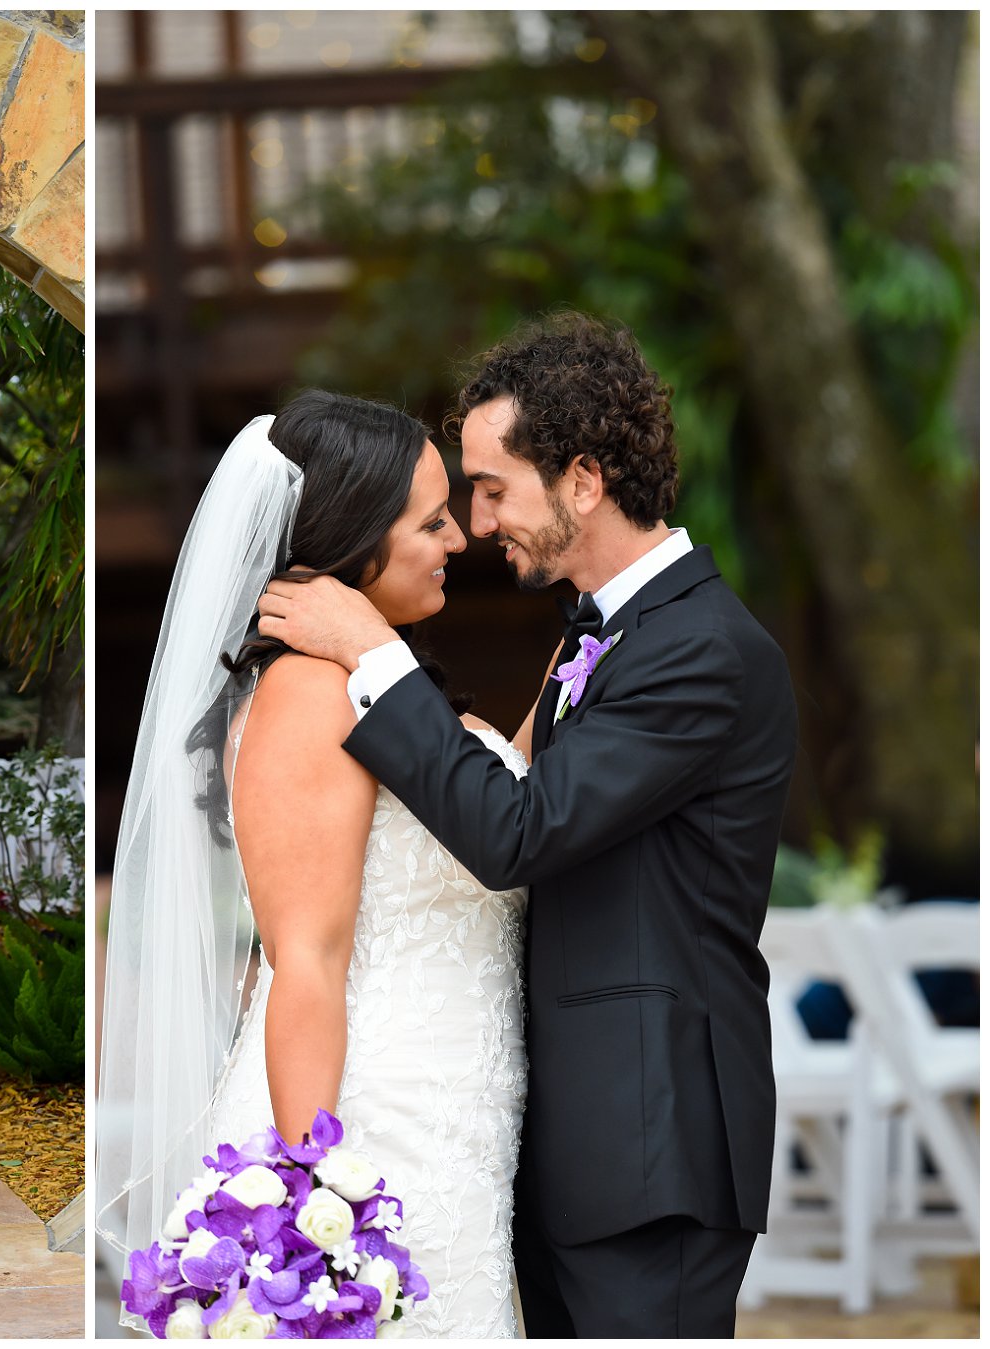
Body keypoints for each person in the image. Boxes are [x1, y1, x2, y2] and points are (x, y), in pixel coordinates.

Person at [258, 313, 797, 1338]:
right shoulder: (598, 637)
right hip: (552, 1148)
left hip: (651, 1152)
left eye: (493, 487)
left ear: (583, 480)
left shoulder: (701, 650)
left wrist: (373, 651)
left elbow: (517, 828)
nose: (477, 518)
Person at [97, 393, 539, 1337]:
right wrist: (305, 1214)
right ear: (351, 539)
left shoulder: (376, 682)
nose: (458, 537)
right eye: (430, 520)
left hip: (457, 1117)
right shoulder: (309, 693)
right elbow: (304, 958)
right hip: (372, 1129)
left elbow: (510, 809)